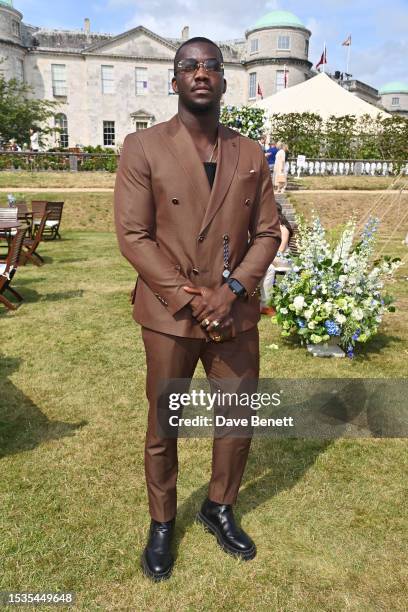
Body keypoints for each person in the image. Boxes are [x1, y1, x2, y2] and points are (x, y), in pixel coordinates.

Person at [114, 36, 281, 582]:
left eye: (212, 65)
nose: (201, 73)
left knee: (236, 420)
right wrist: (192, 296)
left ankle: (220, 505)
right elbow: (135, 237)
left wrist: (230, 291)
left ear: (226, 80)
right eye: (190, 66)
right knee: (165, 423)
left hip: (234, 311)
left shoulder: (249, 152)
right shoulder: (143, 147)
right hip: (171, 313)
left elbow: (266, 232)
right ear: (175, 79)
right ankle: (163, 521)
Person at [260, 203, 293, 315]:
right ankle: (264, 303)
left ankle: (266, 304)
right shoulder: (270, 227)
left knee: (267, 268)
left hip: (282, 260)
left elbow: (281, 249)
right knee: (266, 268)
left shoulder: (283, 228)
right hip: (272, 259)